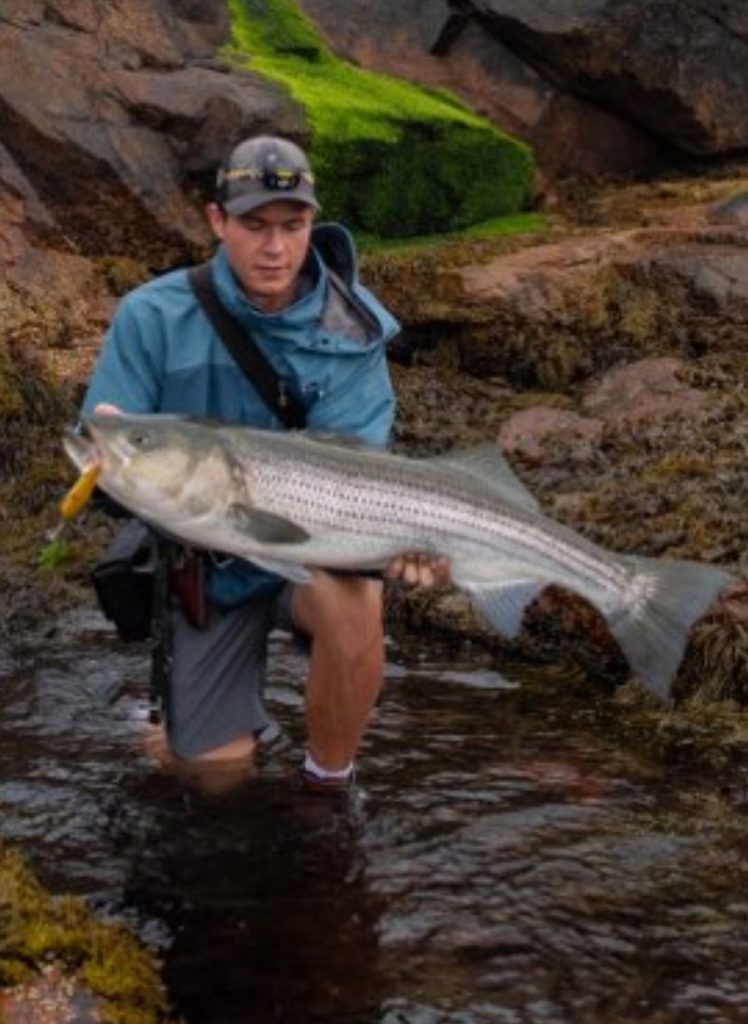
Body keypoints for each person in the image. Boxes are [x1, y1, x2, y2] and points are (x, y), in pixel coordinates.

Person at [82, 135, 449, 791]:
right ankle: (175, 725)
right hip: (203, 566)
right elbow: (107, 447)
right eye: (254, 226)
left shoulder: (352, 330)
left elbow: (356, 483)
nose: (274, 248)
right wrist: (108, 460)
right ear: (217, 221)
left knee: (356, 599)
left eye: (292, 226)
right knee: (211, 780)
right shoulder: (151, 316)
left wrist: (410, 547)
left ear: (313, 223)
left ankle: (327, 785)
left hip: (305, 548)